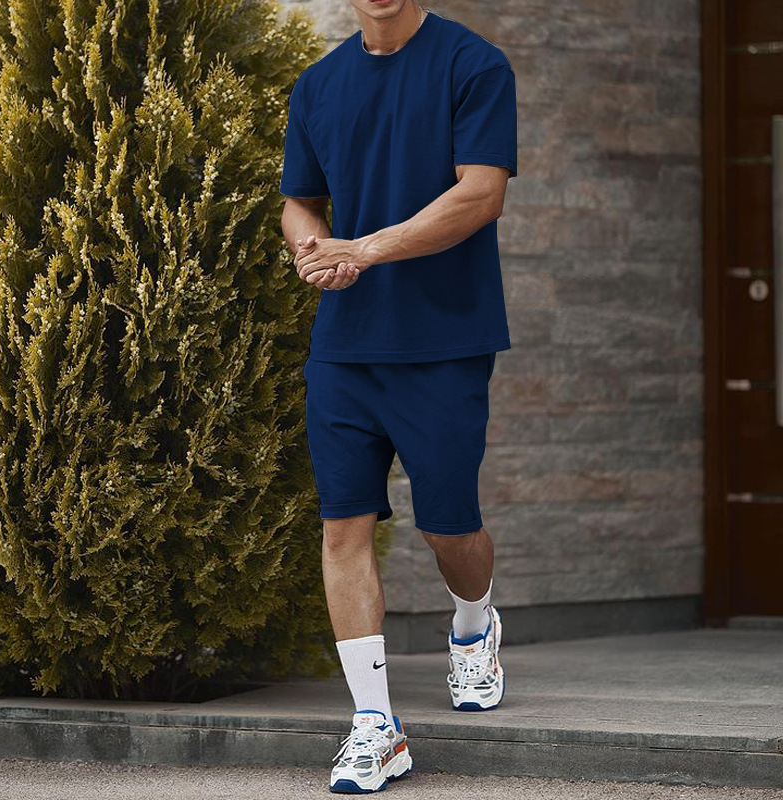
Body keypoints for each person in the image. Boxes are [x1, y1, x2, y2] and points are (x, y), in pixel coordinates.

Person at [279, 0, 516, 793]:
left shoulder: (473, 66)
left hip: (445, 341)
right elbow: (300, 199)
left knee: (449, 525)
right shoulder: (318, 86)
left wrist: (367, 248)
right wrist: (311, 250)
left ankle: (474, 625)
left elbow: (480, 194)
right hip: (344, 348)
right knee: (342, 526)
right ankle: (375, 726)